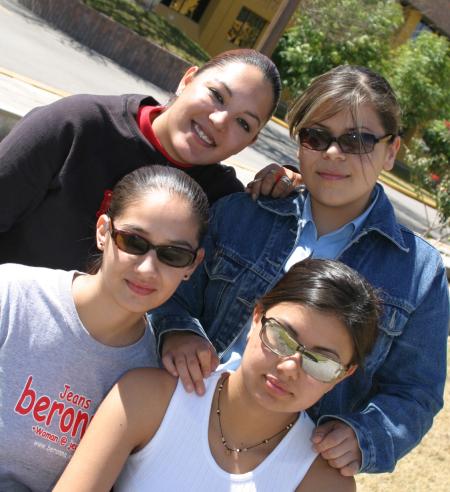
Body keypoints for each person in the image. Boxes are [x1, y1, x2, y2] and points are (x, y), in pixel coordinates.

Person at [149, 65, 450, 475]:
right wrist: (178, 328)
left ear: (391, 150)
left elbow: (414, 391)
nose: (332, 153)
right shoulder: (242, 213)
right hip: (182, 413)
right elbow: (174, 291)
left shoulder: (419, 273)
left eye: (357, 140)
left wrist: (366, 435)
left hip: (282, 461)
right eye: (316, 136)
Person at [54, 259, 380, 492]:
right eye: (282, 337)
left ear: (343, 375)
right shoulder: (147, 398)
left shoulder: (323, 481)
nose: (289, 366)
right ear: (255, 318)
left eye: (320, 362)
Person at [0, 165, 209, 491]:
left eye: (173, 254)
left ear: (192, 266)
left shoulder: (157, 377)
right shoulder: (11, 294)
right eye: (134, 241)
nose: (147, 268)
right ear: (103, 231)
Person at [0, 48, 299, 271]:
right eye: (217, 96)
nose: (220, 120)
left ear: (251, 141)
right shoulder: (77, 124)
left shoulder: (221, 202)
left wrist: (287, 183)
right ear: (187, 80)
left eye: (243, 124)